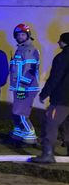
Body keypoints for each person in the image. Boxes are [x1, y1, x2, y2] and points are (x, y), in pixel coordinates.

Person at [30, 32, 69, 163]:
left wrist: (44, 93)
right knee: (66, 125)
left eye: (60, 40)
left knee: (50, 123)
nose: (58, 42)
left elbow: (55, 78)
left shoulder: (62, 57)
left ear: (65, 42)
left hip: (61, 99)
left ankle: (48, 154)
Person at [8, 23, 40, 146]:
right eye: (18, 35)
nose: (20, 37)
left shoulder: (30, 50)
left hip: (26, 88)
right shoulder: (20, 49)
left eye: (23, 34)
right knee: (16, 112)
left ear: (28, 35)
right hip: (19, 87)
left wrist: (22, 86)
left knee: (21, 113)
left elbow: (30, 71)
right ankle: (18, 135)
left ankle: (30, 136)